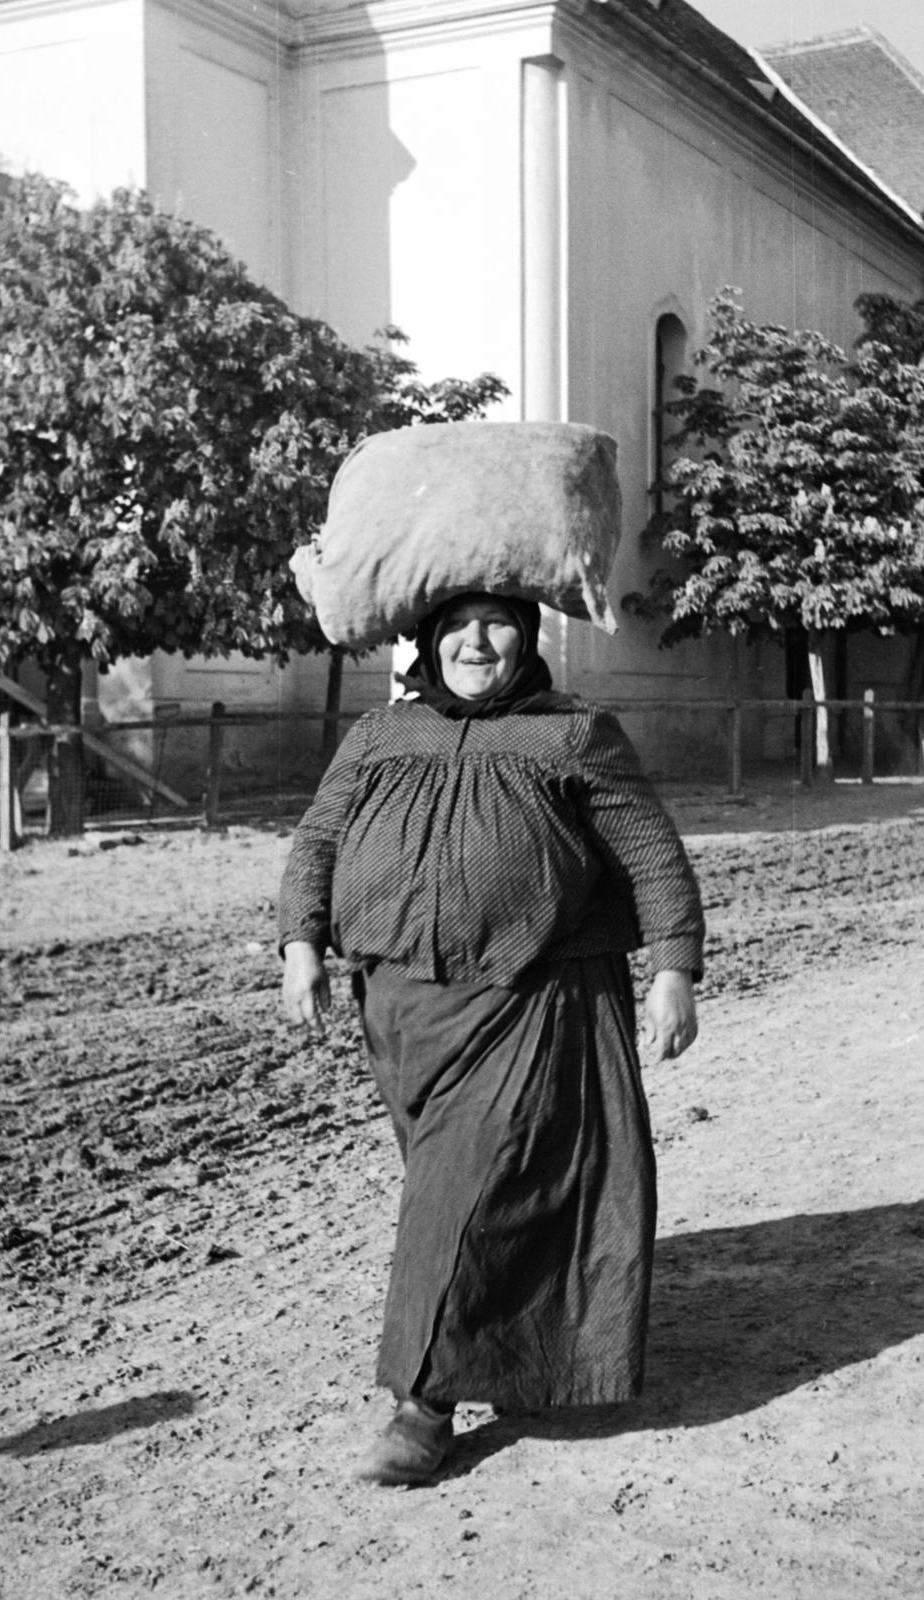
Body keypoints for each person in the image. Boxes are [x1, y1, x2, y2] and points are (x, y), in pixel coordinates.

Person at [278, 592, 704, 1486]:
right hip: (399, 1006)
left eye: (498, 623)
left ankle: (421, 1407)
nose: (477, 642)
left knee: (455, 1197)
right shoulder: (380, 736)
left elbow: (652, 854)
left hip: (530, 997)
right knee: (472, 1197)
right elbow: (318, 839)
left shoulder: (574, 733)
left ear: (528, 636)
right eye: (457, 626)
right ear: (428, 641)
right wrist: (300, 944)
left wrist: (673, 969)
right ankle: (515, 1356)